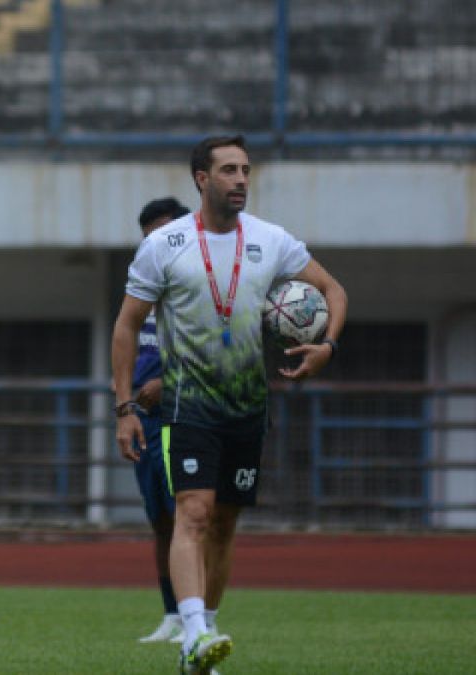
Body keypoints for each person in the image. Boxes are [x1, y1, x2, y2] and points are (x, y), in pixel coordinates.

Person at [111, 136, 347, 674]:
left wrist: (327, 346)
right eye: (229, 171)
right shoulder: (165, 244)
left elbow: (334, 290)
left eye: (245, 170)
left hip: (245, 408)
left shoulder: (272, 239)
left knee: (224, 523)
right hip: (185, 406)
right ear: (201, 178)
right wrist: (124, 408)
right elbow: (126, 325)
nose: (241, 179)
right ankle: (193, 632)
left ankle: (204, 635)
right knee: (190, 512)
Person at [126, 197, 191, 645]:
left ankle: (197, 615)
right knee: (161, 522)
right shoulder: (143, 287)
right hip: (145, 419)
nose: (157, 244)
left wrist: (169, 383)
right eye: (149, 237)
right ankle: (171, 613)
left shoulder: (198, 287)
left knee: (190, 517)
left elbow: (221, 348)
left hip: (186, 415)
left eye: (164, 233)